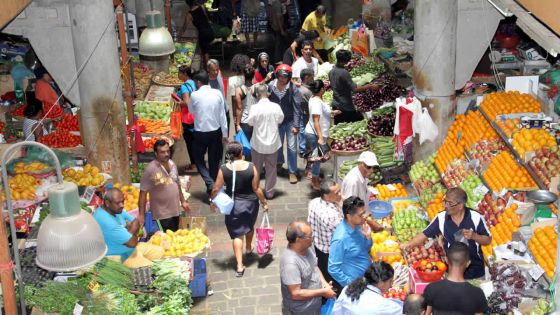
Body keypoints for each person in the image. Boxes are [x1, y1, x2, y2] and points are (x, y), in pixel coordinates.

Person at [401, 187, 492, 279]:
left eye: (450, 203)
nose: (446, 205)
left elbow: (488, 240)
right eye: (445, 201)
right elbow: (424, 234)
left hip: (476, 271)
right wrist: (409, 244)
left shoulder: (475, 217)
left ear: (460, 205)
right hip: (452, 271)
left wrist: (474, 236)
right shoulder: (441, 218)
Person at [210, 141, 269, 277]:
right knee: (249, 226)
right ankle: (248, 248)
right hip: (250, 204)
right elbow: (256, 188)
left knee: (237, 235)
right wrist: (264, 202)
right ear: (241, 152)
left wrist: (212, 200)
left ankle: (239, 266)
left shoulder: (224, 169)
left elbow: (215, 188)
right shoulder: (251, 167)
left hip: (233, 206)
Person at [281, 220, 337, 315]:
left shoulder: (307, 246)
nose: (313, 238)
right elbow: (295, 294)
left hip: (314, 307)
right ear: (298, 240)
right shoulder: (290, 264)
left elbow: (314, 267)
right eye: (310, 236)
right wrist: (322, 292)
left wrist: (324, 284)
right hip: (300, 311)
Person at [188, 70, 229, 195]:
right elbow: (222, 115)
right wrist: (225, 133)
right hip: (216, 132)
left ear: (199, 82)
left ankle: (210, 184)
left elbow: (191, 111)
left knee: (198, 159)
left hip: (200, 133)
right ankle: (212, 187)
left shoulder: (194, 95)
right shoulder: (217, 93)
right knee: (213, 160)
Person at [423, 242, 489, 314]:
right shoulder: (477, 293)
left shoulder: (431, 288)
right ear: (468, 263)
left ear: (446, 260)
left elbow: (427, 313)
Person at [138, 140, 191, 231]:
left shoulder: (172, 164)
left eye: (168, 151)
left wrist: (183, 201)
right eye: (162, 152)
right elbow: (142, 194)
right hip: (162, 214)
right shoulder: (150, 169)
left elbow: (177, 183)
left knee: (175, 237)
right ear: (156, 153)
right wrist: (141, 215)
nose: (166, 154)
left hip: (175, 211)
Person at [247, 84, 284, 199]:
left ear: (257, 95)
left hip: (258, 143)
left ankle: (256, 189)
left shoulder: (254, 108)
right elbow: (280, 119)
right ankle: (269, 192)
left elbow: (250, 123)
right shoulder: (276, 106)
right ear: (268, 94)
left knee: (256, 168)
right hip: (273, 143)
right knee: (271, 169)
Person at [307, 179, 343, 293]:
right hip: (330, 253)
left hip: (318, 247)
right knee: (333, 281)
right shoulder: (331, 216)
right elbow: (343, 233)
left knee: (323, 274)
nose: (340, 194)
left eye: (339, 191)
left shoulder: (314, 202)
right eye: (337, 193)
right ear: (326, 196)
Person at [328, 196, 373, 288]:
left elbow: (364, 250)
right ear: (349, 216)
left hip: (365, 277)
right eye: (360, 215)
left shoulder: (358, 225)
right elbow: (333, 268)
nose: (363, 217)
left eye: (364, 213)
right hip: (355, 284)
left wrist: (368, 237)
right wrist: (351, 284)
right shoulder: (340, 239)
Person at [268, 64, 302, 184]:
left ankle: (292, 171)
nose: (282, 79)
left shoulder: (294, 89)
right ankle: (279, 164)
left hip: (290, 121)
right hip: (276, 122)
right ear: (276, 75)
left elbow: (297, 109)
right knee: (278, 145)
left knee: (292, 148)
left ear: (289, 77)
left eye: (285, 77)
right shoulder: (270, 86)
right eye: (280, 76)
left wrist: (296, 125)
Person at [304, 80, 339, 189]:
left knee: (315, 157)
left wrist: (332, 113)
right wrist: (320, 137)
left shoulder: (314, 98)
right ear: (322, 89)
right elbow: (316, 121)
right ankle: (315, 181)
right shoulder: (317, 102)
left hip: (314, 133)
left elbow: (321, 113)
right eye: (324, 88)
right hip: (315, 134)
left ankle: (314, 177)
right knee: (317, 158)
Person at [332, 261, 403, 315]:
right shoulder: (384, 305)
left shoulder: (348, 288)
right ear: (380, 282)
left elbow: (336, 311)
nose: (391, 285)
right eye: (390, 281)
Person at [329, 49, 379, 124]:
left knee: (341, 125)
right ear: (346, 61)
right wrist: (370, 86)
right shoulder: (344, 72)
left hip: (336, 103)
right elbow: (355, 89)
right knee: (358, 123)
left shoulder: (331, 71)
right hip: (345, 107)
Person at [94, 188, 140, 261]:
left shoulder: (115, 210)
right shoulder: (107, 221)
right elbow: (132, 243)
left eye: (122, 201)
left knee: (158, 251)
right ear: (107, 203)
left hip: (127, 250)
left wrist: (129, 233)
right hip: (118, 258)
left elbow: (136, 221)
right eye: (118, 203)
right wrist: (132, 232)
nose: (122, 205)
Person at [181, 0, 215, 65]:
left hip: (203, 34)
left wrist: (179, 37)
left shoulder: (189, 14)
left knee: (205, 52)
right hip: (210, 31)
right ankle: (206, 66)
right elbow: (207, 18)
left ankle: (208, 69)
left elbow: (184, 28)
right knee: (205, 50)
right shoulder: (201, 7)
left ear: (188, 4)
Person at [177, 65, 197, 173]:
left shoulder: (184, 86)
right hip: (194, 116)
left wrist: (177, 102)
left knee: (190, 143)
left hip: (186, 118)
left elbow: (187, 103)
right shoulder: (193, 83)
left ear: (185, 74)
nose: (178, 75)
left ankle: (194, 164)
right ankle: (198, 161)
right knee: (194, 140)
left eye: (179, 73)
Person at [228, 54, 252, 131]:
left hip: (239, 113)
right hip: (250, 110)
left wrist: (234, 115)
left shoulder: (232, 80)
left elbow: (233, 100)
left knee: (240, 136)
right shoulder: (250, 76)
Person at [207, 59, 231, 136]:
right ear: (208, 70)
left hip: (225, 110)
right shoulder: (206, 83)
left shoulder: (219, 74)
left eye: (217, 69)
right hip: (215, 115)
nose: (216, 72)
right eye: (213, 70)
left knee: (225, 136)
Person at [235, 65, 258, 140]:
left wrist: (237, 124)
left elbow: (239, 108)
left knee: (246, 148)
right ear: (253, 75)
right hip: (256, 121)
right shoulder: (257, 88)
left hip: (245, 122)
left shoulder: (239, 89)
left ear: (244, 75)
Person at [298, 68, 314, 166]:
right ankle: (304, 151)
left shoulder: (303, 88)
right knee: (304, 131)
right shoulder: (306, 91)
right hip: (305, 113)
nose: (313, 78)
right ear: (307, 77)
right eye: (312, 75)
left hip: (301, 113)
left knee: (302, 130)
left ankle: (302, 149)